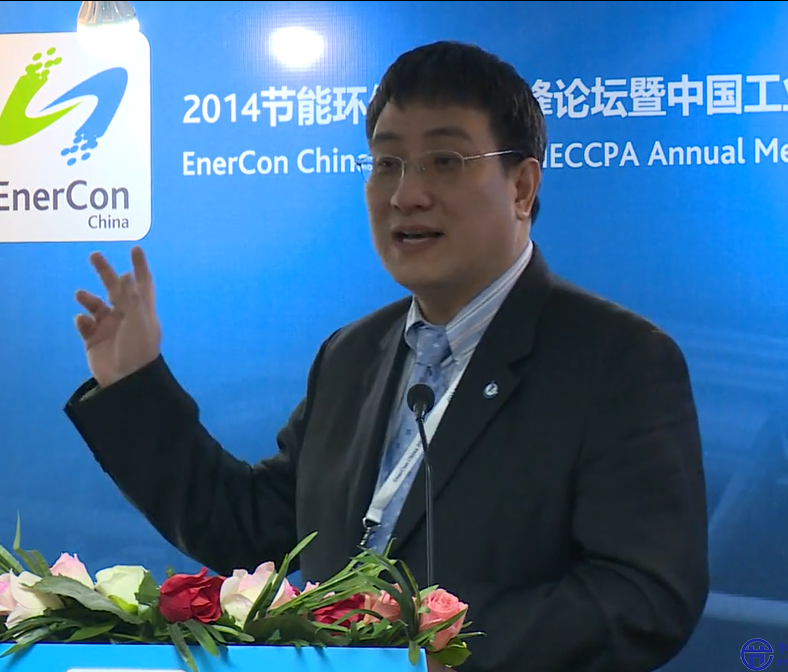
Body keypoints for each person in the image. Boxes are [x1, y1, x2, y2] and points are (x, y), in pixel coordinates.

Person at [64, 41, 709, 672]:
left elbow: (643, 597)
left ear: (521, 186)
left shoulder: (617, 361)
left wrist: (429, 647)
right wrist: (133, 386)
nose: (406, 195)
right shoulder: (352, 355)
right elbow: (254, 529)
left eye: (445, 161)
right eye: (387, 163)